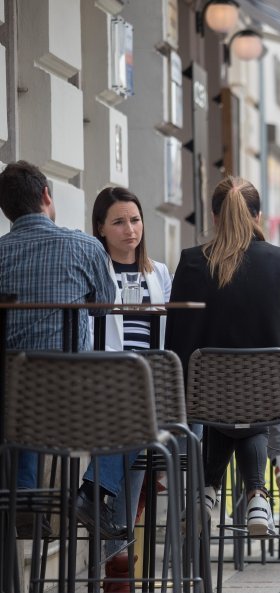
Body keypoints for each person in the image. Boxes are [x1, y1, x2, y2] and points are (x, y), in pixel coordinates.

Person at [165, 176, 280, 538]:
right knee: (250, 400)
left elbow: (178, 341)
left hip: (204, 400)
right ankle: (256, 493)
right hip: (269, 400)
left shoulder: (191, 263)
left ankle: (207, 491)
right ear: (259, 215)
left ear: (214, 216)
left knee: (227, 401)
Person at [0, 161, 117, 538]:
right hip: (70, 391)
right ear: (47, 196)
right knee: (128, 398)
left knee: (22, 387)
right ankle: (90, 497)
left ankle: (25, 505)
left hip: (10, 390)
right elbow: (105, 302)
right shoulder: (83, 246)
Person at [84, 187, 173, 589]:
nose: (130, 229)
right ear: (101, 228)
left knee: (140, 420)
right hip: (106, 381)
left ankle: (112, 536)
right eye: (118, 222)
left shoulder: (161, 273)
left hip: (151, 381)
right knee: (138, 433)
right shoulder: (93, 272)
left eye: (135, 220)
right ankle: (118, 549)